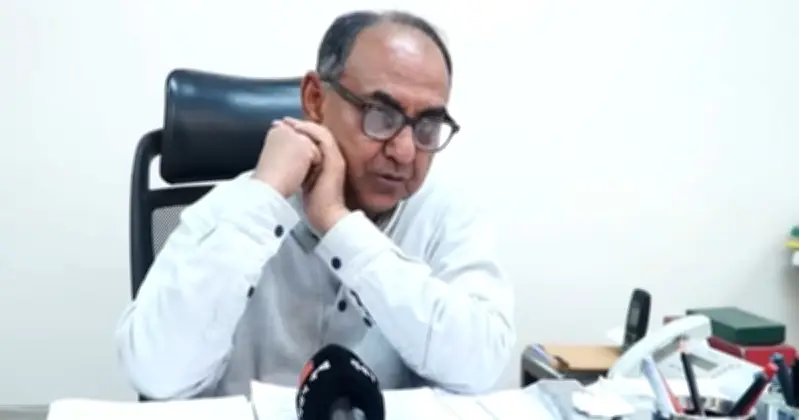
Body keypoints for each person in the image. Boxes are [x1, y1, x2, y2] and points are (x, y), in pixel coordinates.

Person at [115, 9, 516, 400]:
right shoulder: (235, 209)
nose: (405, 151)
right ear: (315, 99)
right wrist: (265, 197)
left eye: (427, 126)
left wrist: (339, 225)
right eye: (381, 115)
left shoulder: (446, 217)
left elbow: (480, 366)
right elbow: (155, 373)